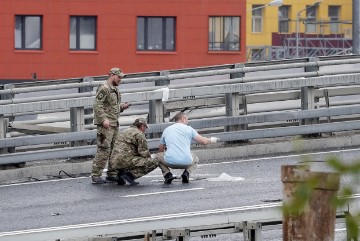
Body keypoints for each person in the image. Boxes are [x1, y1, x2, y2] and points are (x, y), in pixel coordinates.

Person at [91, 67, 130, 184]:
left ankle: (112, 174)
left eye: (121, 78)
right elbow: (97, 105)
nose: (120, 80)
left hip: (114, 124)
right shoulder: (104, 88)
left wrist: (121, 107)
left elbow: (111, 106)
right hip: (106, 125)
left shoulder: (115, 89)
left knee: (114, 150)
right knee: (104, 149)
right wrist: (103, 119)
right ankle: (96, 175)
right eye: (118, 77)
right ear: (111, 75)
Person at [157, 112, 219, 184]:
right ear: (183, 119)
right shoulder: (189, 129)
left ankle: (167, 174)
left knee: (156, 157)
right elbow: (204, 141)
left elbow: (161, 149)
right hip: (186, 162)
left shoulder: (167, 130)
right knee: (195, 158)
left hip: (170, 162)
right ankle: (186, 173)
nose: (187, 122)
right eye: (187, 119)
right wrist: (212, 140)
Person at [109, 118, 159, 185]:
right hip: (125, 161)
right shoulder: (139, 134)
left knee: (127, 155)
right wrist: (150, 159)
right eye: (145, 128)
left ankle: (120, 175)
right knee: (154, 161)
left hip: (113, 162)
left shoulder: (123, 131)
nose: (145, 130)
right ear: (142, 126)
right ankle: (130, 176)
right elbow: (144, 152)